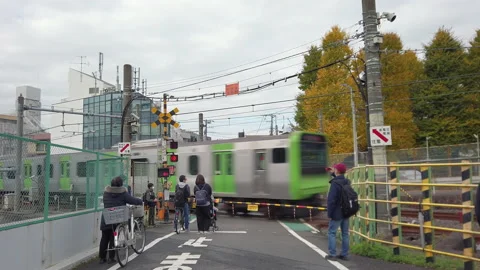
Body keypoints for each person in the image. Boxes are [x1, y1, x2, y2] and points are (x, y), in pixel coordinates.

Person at [99, 176, 143, 264]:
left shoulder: (106, 193)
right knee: (113, 237)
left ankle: (102, 258)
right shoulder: (123, 193)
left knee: (104, 238)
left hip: (106, 218)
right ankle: (111, 258)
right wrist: (140, 201)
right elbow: (132, 200)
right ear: (121, 185)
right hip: (117, 218)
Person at [326, 163, 351, 261]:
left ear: (337, 171)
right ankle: (344, 254)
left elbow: (331, 200)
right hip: (346, 211)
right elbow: (339, 178)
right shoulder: (347, 182)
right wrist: (332, 173)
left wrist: (330, 213)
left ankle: (332, 254)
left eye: (335, 169)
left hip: (337, 212)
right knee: (345, 233)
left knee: (332, 232)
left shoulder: (334, 183)